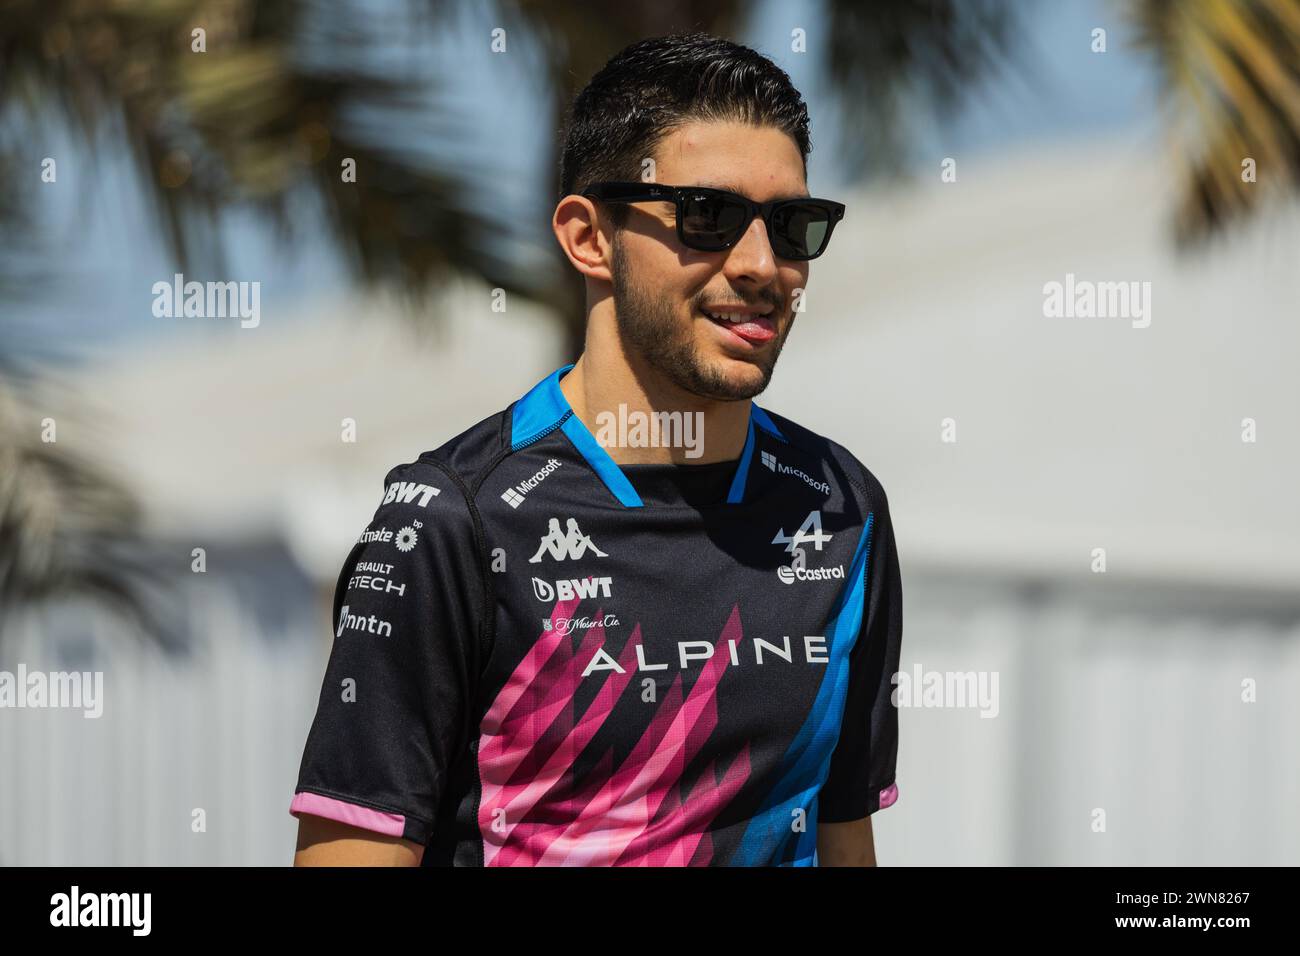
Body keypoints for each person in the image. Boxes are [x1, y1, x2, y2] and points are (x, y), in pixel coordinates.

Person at [291, 32, 903, 867]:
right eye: (709, 217)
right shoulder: (451, 519)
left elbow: (843, 841)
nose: (765, 266)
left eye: (794, 226)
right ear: (588, 238)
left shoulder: (841, 509)